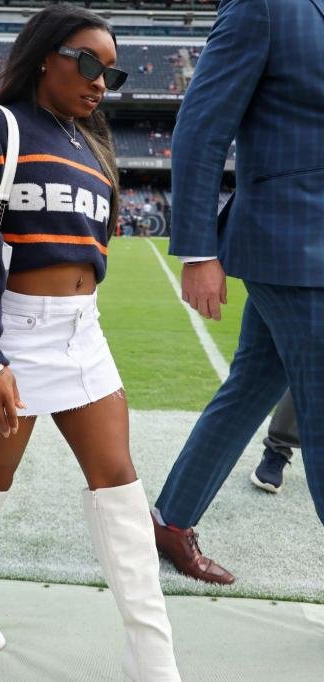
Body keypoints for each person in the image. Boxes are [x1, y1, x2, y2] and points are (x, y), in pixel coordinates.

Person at [0, 6, 179, 679]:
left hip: (84, 333)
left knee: (121, 486)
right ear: (45, 55)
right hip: (14, 332)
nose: (102, 81)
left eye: (113, 71)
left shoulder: (93, 147)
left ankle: (151, 656)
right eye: (88, 62)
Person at [152, 0, 324, 583]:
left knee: (252, 386)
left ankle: (170, 521)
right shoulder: (263, 6)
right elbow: (202, 127)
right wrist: (199, 251)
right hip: (289, 242)